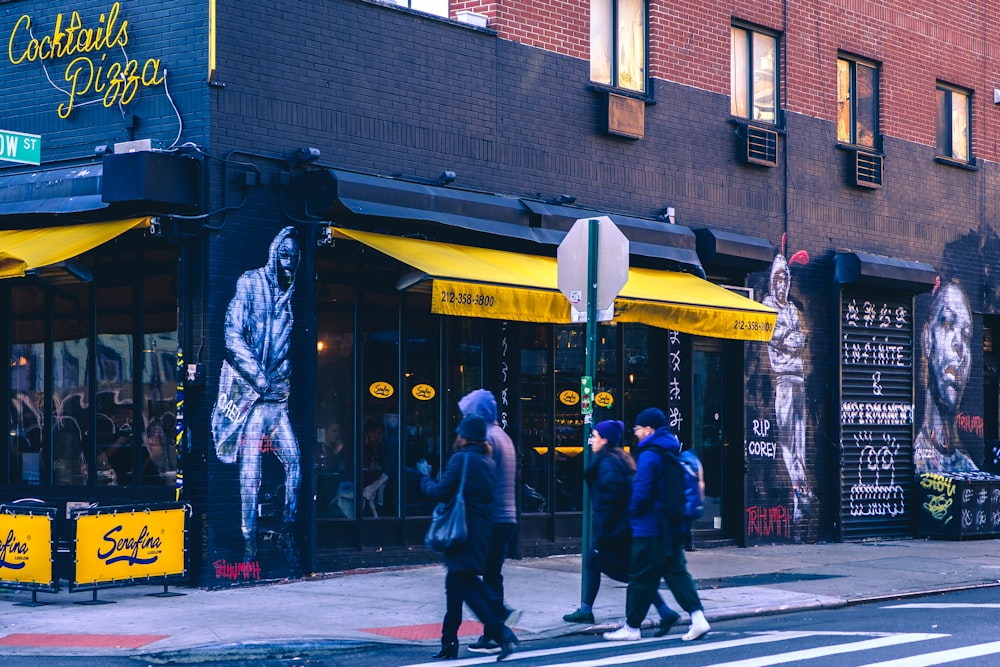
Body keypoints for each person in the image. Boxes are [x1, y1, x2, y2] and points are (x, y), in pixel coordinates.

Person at [211, 226, 301, 562]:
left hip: (279, 401)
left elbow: (284, 344)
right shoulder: (251, 282)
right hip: (252, 396)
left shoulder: (290, 295)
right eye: (284, 253)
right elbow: (232, 335)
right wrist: (260, 376)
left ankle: (288, 531)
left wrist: (284, 372)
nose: (289, 260)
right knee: (249, 473)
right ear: (274, 251)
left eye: (294, 255)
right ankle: (249, 543)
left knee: (295, 463)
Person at [415, 414, 519, 661]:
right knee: (455, 587)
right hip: (480, 532)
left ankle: (501, 630)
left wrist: (422, 479)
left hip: (461, 534)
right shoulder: (487, 460)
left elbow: (440, 492)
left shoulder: (460, 459)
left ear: (465, 436)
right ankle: (448, 642)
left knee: (468, 588)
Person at [604, 408, 710, 642]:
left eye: (638, 429)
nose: (636, 433)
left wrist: (631, 516)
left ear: (649, 429)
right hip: (674, 526)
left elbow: (641, 493)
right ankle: (698, 618)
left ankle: (631, 628)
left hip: (650, 528)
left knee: (640, 576)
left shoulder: (650, 455)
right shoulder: (671, 450)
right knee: (676, 573)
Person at [563, 420, 679, 634]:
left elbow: (611, 499)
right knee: (621, 570)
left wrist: (604, 529)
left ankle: (654, 615)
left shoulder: (607, 463)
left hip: (615, 530)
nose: (591, 440)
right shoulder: (620, 459)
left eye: (595, 435)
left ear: (605, 439)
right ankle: (664, 612)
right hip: (623, 528)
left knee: (630, 574)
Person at [458, 389, 521, 655]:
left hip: (491, 517)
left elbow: (482, 480)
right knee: (493, 573)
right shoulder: (504, 436)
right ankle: (494, 630)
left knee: (471, 575)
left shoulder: (488, 438)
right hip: (507, 515)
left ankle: (498, 619)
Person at [762, 252, 812, 523]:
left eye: (785, 280)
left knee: (800, 440)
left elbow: (798, 340)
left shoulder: (792, 310)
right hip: (782, 379)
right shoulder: (767, 306)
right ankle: (800, 487)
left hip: (798, 379)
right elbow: (783, 339)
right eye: (777, 280)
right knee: (785, 437)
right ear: (771, 282)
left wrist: (790, 337)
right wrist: (788, 337)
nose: (782, 285)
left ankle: (799, 497)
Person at [914, 280, 977, 473]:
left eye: (966, 335)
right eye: (948, 323)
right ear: (927, 339)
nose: (959, 344)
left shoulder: (969, 469)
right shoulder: (913, 460)